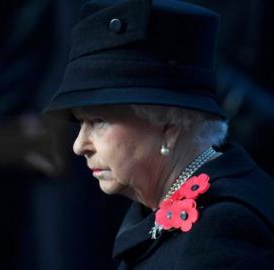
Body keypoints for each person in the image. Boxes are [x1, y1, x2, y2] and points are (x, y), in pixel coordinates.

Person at [43, 0, 274, 269]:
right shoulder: (163, 203)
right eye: (80, 123)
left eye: (98, 121)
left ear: (169, 125)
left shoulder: (221, 230)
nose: (79, 145)